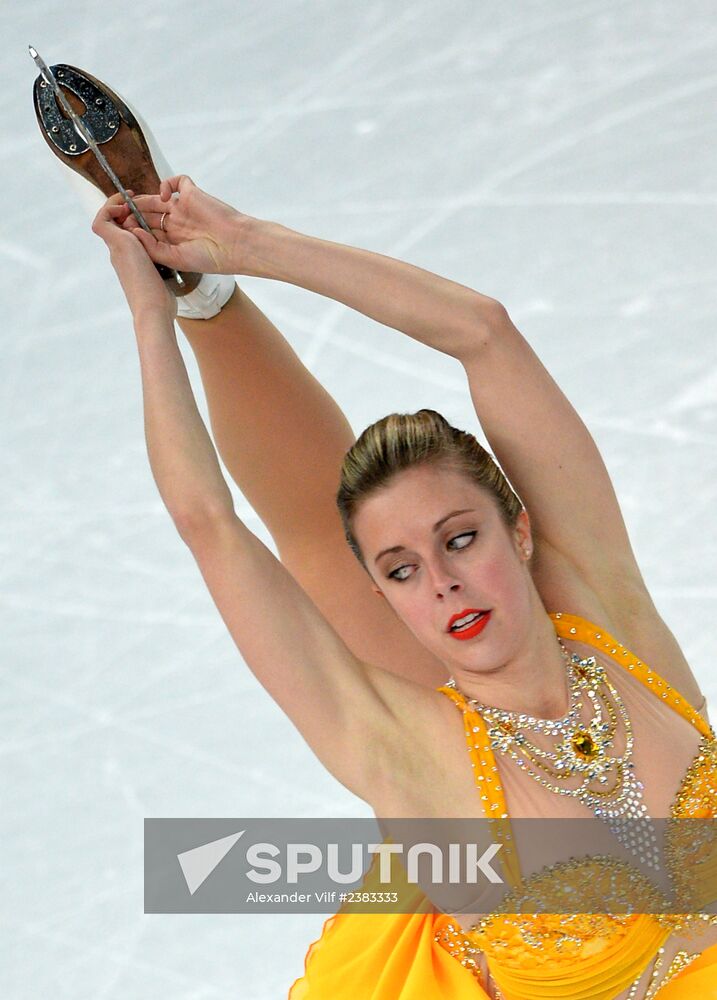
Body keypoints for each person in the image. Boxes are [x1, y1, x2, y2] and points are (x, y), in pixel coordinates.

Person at [37, 65, 717, 999]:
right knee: (322, 551)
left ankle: (207, 283)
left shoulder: (612, 617)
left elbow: (484, 332)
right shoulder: (407, 754)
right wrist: (149, 313)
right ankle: (197, 302)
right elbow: (210, 525)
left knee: (353, 544)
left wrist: (253, 241)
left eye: (463, 540)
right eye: (400, 572)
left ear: (519, 530)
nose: (440, 581)